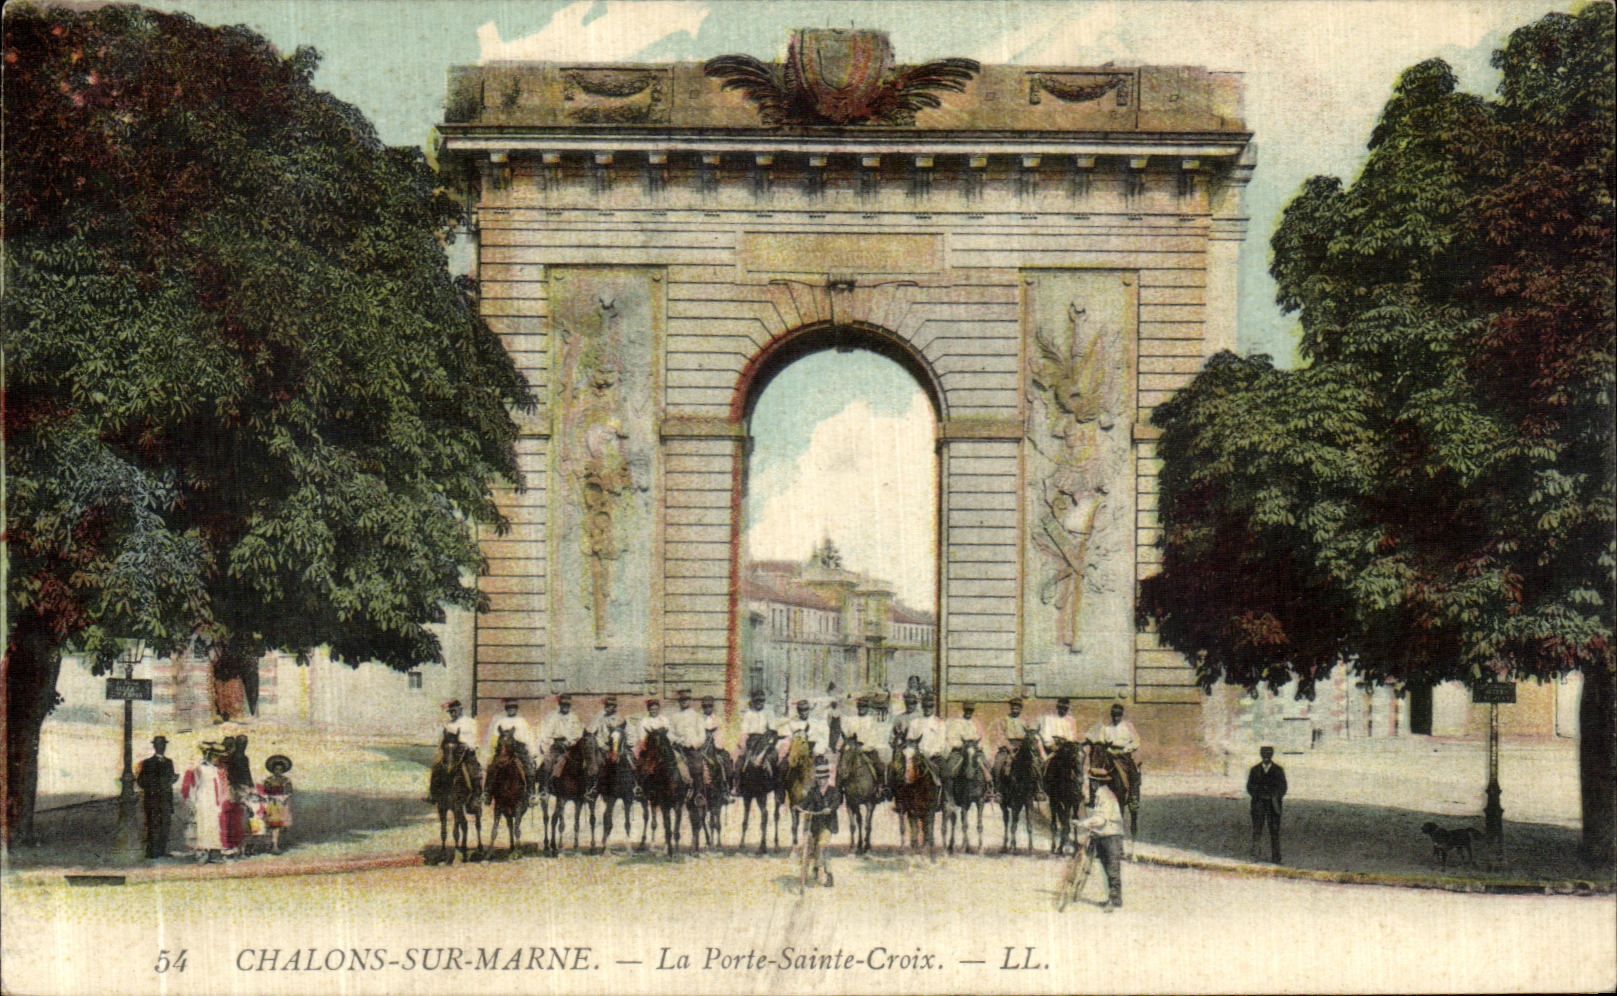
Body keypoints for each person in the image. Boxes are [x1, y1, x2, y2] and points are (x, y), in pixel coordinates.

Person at [1077, 771, 1128, 911]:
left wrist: (1084, 823)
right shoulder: (1101, 794)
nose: (1090, 785)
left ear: (1096, 782)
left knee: (1112, 869)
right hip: (1103, 835)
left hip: (1111, 836)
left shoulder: (1106, 797)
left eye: (1091, 782)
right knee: (1107, 868)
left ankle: (1113, 900)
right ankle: (1116, 898)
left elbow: (1101, 819)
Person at [796, 757, 843, 888]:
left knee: (822, 847)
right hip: (814, 824)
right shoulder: (814, 791)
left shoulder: (833, 791)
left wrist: (830, 808)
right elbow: (806, 801)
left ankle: (829, 875)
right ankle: (812, 870)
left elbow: (837, 802)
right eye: (819, 778)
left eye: (823, 778)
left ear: (827, 778)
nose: (821, 781)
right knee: (809, 847)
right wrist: (799, 806)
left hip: (827, 825)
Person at [1085, 702, 1141, 808]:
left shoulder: (1128, 726)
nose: (1116, 718)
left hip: (1123, 755)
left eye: (1118, 715)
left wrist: (1125, 749)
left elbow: (1136, 741)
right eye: (1114, 715)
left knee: (1132, 771)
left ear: (1122, 715)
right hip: (1109, 755)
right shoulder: (1107, 728)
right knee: (1096, 770)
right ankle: (1093, 797)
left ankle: (1133, 797)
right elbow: (1101, 741)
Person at [180, 744, 229, 863]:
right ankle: (202, 852)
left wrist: (221, 801)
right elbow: (193, 786)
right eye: (214, 755)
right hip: (202, 800)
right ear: (209, 755)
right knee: (203, 825)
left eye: (218, 756)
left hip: (214, 801)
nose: (216, 758)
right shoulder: (200, 768)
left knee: (214, 826)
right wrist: (192, 802)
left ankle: (214, 852)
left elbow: (221, 788)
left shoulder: (217, 770)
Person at [135, 735, 177, 859]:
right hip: (153, 800)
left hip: (165, 800)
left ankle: (162, 850)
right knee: (153, 825)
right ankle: (152, 852)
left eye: (163, 745)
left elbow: (170, 779)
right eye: (159, 745)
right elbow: (141, 781)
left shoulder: (169, 762)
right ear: (154, 747)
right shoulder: (148, 763)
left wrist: (172, 780)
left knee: (165, 825)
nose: (161, 747)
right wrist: (154, 785)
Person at [944, 701, 995, 798]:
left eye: (971, 710)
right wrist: (960, 744)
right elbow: (951, 738)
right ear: (963, 710)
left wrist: (979, 746)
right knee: (950, 769)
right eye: (967, 710)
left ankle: (989, 790)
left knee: (987, 766)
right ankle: (948, 797)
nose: (969, 712)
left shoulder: (976, 722)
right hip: (960, 751)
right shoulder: (957, 722)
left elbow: (982, 737)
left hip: (975, 750)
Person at [1246, 746, 1287, 864]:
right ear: (1261, 755)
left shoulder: (1279, 770)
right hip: (1258, 804)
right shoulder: (1254, 770)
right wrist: (1259, 795)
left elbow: (1283, 788)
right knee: (1257, 830)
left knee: (1274, 831)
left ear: (1272, 755)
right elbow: (1250, 787)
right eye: (1264, 754)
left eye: (1269, 754)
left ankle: (1276, 857)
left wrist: (1274, 796)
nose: (1266, 757)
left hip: (1273, 805)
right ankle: (1255, 855)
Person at [487, 698, 538, 789]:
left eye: (513, 707)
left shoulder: (522, 721)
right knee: (491, 768)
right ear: (506, 709)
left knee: (529, 769)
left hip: (519, 749)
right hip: (503, 749)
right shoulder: (500, 722)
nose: (511, 709)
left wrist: (533, 752)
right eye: (509, 707)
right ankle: (487, 793)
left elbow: (529, 738)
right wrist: (493, 752)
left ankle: (531, 794)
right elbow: (494, 738)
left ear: (516, 709)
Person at [536, 693, 584, 786]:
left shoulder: (574, 717)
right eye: (563, 704)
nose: (565, 707)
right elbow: (547, 733)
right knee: (548, 762)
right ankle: (546, 787)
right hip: (557, 746)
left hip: (572, 747)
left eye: (567, 705)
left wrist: (572, 741)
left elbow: (579, 733)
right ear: (560, 705)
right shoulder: (553, 717)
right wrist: (550, 743)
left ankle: (587, 789)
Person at [735, 689, 778, 790]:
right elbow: (744, 732)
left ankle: (776, 788)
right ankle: (736, 786)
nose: (759, 703)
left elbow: (773, 731)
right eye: (757, 700)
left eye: (761, 700)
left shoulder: (769, 713)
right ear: (753, 701)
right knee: (739, 762)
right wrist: (743, 745)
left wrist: (768, 744)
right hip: (751, 742)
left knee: (775, 759)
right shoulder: (748, 714)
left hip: (765, 741)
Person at [906, 693, 948, 788]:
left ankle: (946, 799)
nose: (927, 709)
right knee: (906, 776)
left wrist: (934, 753)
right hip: (918, 758)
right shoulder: (914, 722)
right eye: (925, 706)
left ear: (933, 707)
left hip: (934, 757)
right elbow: (910, 742)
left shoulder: (940, 723)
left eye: (930, 706)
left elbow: (941, 743)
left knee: (946, 774)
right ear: (922, 707)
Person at [261, 754, 294, 854]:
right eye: (276, 769)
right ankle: (269, 845)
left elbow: (289, 792)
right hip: (271, 803)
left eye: (280, 769)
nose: (278, 771)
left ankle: (276, 845)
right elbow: (265, 792)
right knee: (270, 826)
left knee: (278, 826)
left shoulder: (286, 780)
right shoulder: (268, 780)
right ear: (273, 770)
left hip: (282, 803)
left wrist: (283, 799)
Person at [438, 700, 478, 765]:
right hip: (451, 753)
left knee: (473, 769)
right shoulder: (448, 725)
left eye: (454, 711)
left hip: (467, 753)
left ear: (460, 709)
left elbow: (476, 738)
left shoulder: (471, 722)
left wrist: (469, 745)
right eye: (450, 712)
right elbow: (443, 741)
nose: (452, 714)